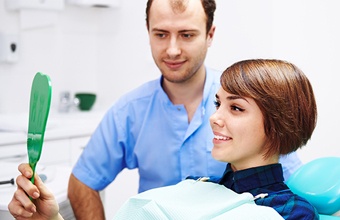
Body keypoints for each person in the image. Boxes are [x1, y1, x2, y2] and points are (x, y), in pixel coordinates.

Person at [67, 0, 302, 219]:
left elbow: (290, 182)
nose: (172, 50)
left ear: (210, 34)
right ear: (148, 32)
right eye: (161, 34)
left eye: (186, 35)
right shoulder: (129, 111)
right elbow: (82, 182)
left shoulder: (248, 102)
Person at [8, 59, 318, 219]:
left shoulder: (291, 213)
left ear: (278, 126)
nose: (214, 117)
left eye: (235, 107)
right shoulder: (205, 190)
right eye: (218, 103)